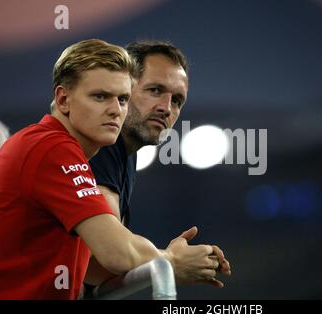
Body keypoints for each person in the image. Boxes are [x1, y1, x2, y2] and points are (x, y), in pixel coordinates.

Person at [0, 39, 221, 299]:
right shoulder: (52, 148)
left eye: (122, 99)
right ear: (63, 99)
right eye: (100, 96)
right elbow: (115, 253)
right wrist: (171, 260)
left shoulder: (73, 149)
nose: (115, 110)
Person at [86, 41, 231, 290]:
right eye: (155, 90)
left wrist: (170, 260)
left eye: (177, 101)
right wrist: (171, 262)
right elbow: (107, 256)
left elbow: (95, 269)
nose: (166, 108)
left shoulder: (126, 153)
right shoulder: (99, 144)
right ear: (123, 88)